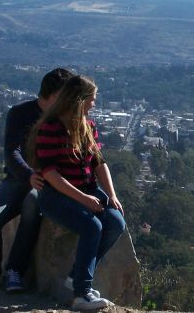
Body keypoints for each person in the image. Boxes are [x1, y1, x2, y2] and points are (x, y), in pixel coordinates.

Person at [0, 68, 74, 292]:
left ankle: (15, 271)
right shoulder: (20, 113)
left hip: (48, 181)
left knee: (32, 206)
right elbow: (11, 151)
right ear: (52, 95)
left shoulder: (65, 118)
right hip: (18, 178)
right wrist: (28, 174)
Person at [27, 75, 125, 310]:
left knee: (116, 224)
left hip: (88, 189)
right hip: (57, 195)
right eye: (92, 99)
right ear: (79, 100)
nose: (94, 104)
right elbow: (51, 175)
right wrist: (85, 200)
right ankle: (81, 293)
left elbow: (100, 163)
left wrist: (111, 194)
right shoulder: (50, 129)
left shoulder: (88, 127)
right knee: (92, 226)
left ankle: (77, 276)